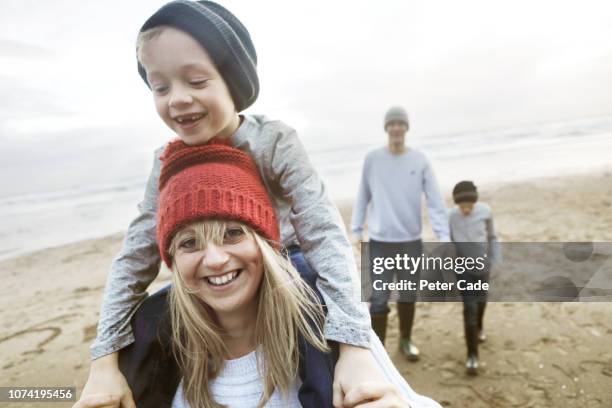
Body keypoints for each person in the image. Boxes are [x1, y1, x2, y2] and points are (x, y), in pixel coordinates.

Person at [81, 1, 380, 406]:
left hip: (283, 268)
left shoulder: (272, 141)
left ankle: (320, 391)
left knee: (310, 291)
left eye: (197, 81)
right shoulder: (164, 161)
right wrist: (103, 360)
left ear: (233, 81)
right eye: (161, 87)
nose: (178, 99)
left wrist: (355, 347)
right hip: (220, 279)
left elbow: (324, 232)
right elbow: (136, 255)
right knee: (155, 314)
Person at [74, 141, 442, 407]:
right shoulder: (147, 347)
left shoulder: (333, 327)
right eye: (189, 243)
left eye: (233, 233)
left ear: (265, 243)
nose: (215, 259)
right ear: (170, 258)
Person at [351, 106, 450, 361]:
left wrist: (444, 234)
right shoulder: (373, 159)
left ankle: (405, 340)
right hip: (381, 242)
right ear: (387, 128)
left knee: (407, 294)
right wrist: (355, 228)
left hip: (410, 242)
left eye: (400, 124)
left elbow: (435, 200)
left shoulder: (420, 160)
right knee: (380, 299)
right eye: (391, 124)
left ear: (406, 128)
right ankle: (379, 353)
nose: (396, 128)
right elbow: (363, 195)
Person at [449, 180, 501, 375]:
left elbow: (493, 237)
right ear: (456, 204)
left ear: (475, 202)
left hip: (483, 266)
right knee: (468, 309)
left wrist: (495, 261)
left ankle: (480, 326)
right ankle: (472, 355)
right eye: (462, 206)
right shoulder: (451, 217)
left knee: (481, 302)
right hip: (462, 269)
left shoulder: (486, 211)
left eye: (469, 206)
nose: (466, 210)